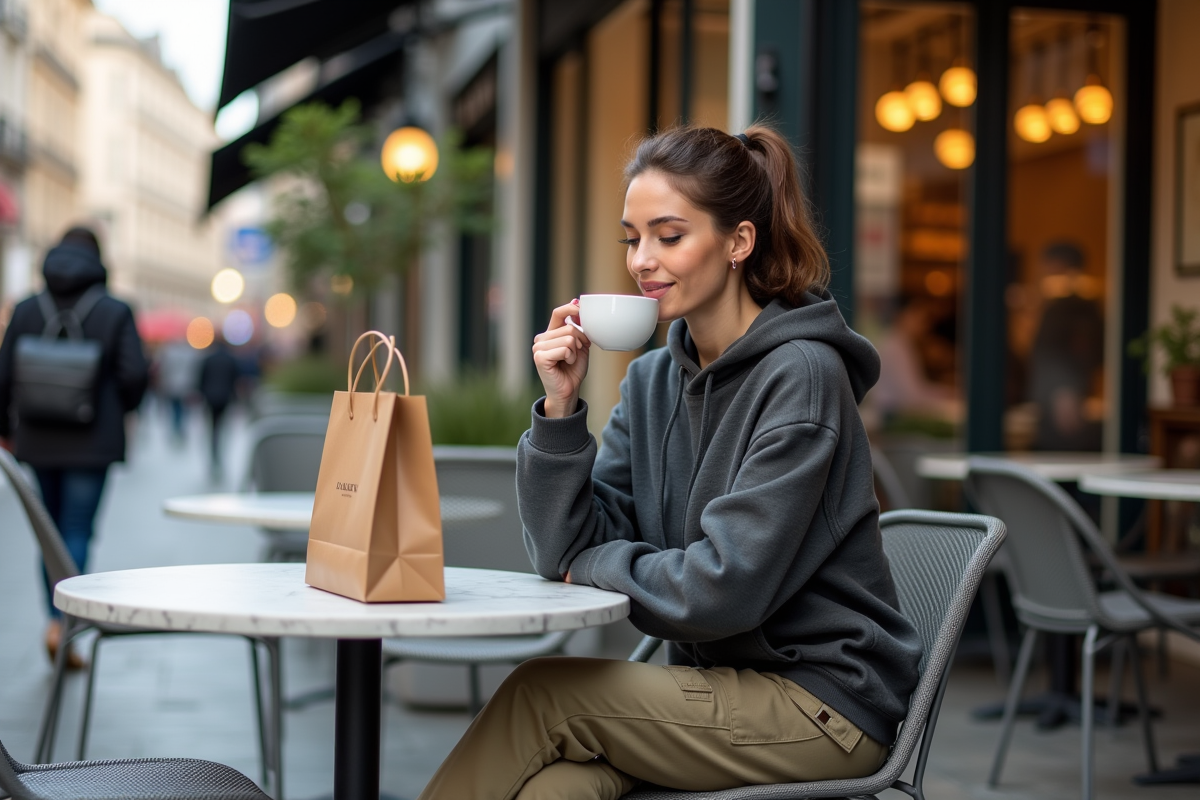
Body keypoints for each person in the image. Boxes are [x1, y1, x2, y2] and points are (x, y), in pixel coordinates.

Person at [416, 125, 922, 800]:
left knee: (544, 693)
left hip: (822, 706)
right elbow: (561, 549)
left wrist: (590, 565)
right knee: (555, 790)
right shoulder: (654, 380)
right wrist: (561, 410)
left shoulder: (803, 376)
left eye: (669, 235)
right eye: (632, 238)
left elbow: (722, 590)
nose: (641, 260)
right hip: (713, 690)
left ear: (739, 242)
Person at [0, 226, 149, 666]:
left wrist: (6, 427)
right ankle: (64, 625)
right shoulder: (115, 310)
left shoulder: (27, 309)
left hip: (37, 438)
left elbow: (2, 374)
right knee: (78, 530)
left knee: (47, 535)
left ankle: (53, 618)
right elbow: (135, 375)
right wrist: (117, 407)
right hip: (92, 440)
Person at [1028, 241, 1104, 451]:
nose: (1042, 271)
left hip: (1062, 402)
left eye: (1047, 264)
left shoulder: (1075, 306)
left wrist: (1066, 389)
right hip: (1053, 399)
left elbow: (1084, 350)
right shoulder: (1057, 303)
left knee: (1062, 452)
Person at [198, 339, 239, 480]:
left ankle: (214, 457)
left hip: (210, 398)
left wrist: (201, 395)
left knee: (212, 429)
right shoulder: (230, 359)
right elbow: (235, 380)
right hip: (225, 398)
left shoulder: (208, 359)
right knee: (222, 429)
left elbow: (201, 379)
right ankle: (219, 457)